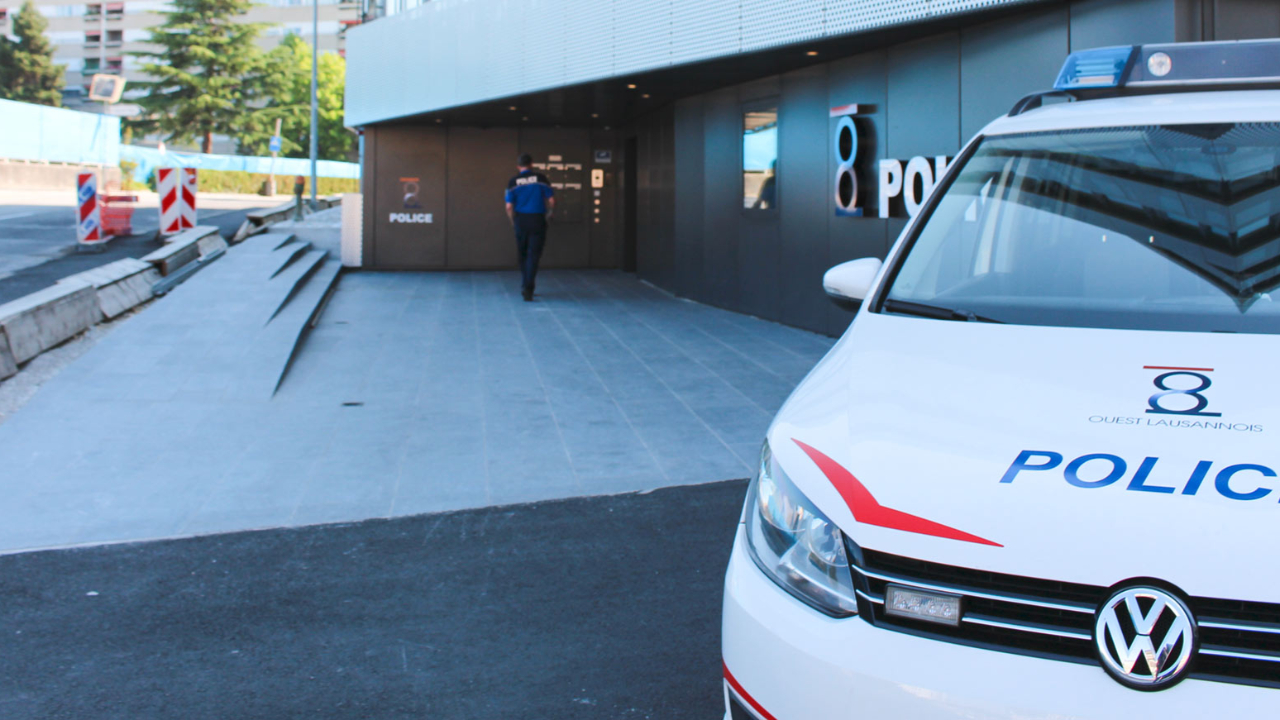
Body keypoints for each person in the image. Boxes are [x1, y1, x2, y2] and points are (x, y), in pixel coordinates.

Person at [504, 153, 556, 301]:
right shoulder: (541, 179)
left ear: (518, 166)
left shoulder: (513, 182)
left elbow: (509, 206)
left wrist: (512, 221)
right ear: (531, 164)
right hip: (538, 220)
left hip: (521, 219)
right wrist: (550, 213)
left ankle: (524, 284)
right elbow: (551, 200)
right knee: (534, 254)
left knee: (523, 254)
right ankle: (529, 287)